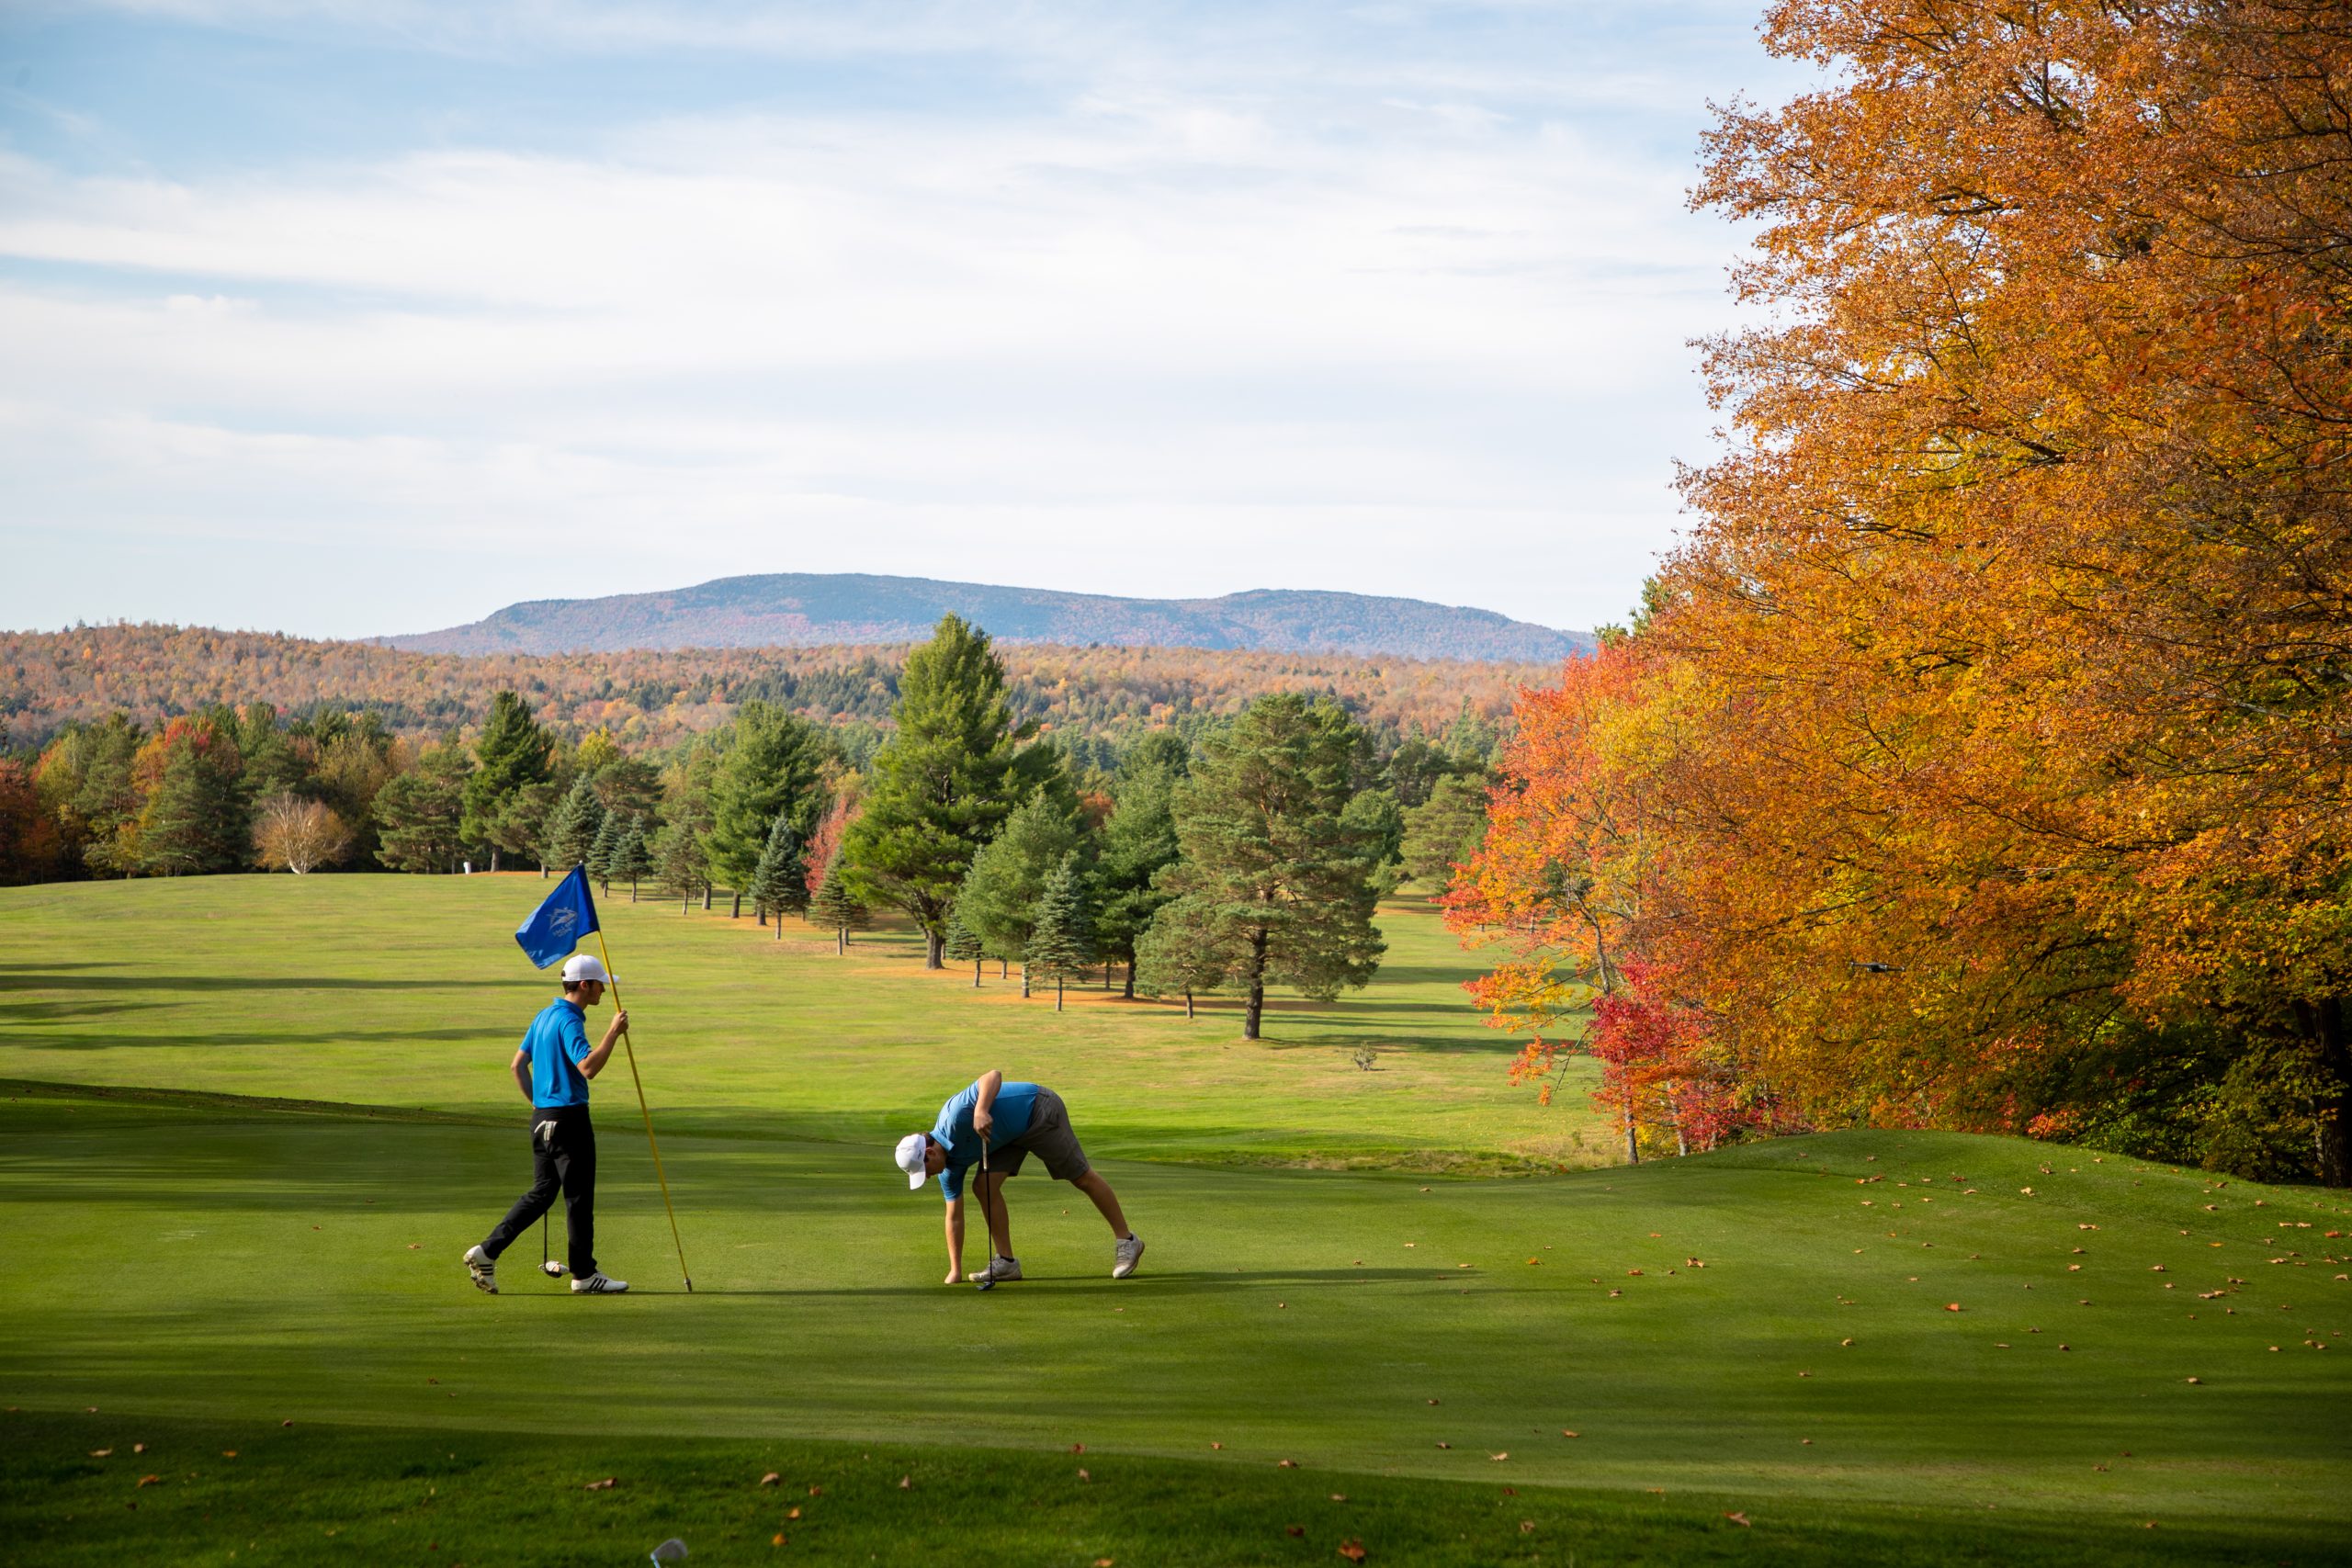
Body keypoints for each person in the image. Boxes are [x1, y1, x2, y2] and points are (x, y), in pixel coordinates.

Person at [464, 953, 631, 1295]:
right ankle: (584, 1275)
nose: (603, 990)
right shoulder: (570, 1019)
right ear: (585, 985)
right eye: (600, 984)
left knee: (542, 1194)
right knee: (578, 1199)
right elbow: (587, 1067)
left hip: (542, 1119)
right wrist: (613, 1033)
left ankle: (487, 1251)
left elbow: (517, 1066)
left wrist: (541, 1108)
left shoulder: (543, 1015)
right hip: (569, 1120)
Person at [893, 1069, 1143, 1285]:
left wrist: (980, 1110)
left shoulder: (955, 1115)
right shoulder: (948, 1170)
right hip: (1009, 1136)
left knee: (1080, 1177)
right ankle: (1007, 1262)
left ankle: (1127, 1240)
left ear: (929, 1152)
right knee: (984, 1187)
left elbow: (993, 1075)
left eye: (924, 1171)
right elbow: (954, 1216)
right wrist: (955, 1270)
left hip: (1038, 1109)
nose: (927, 1178)